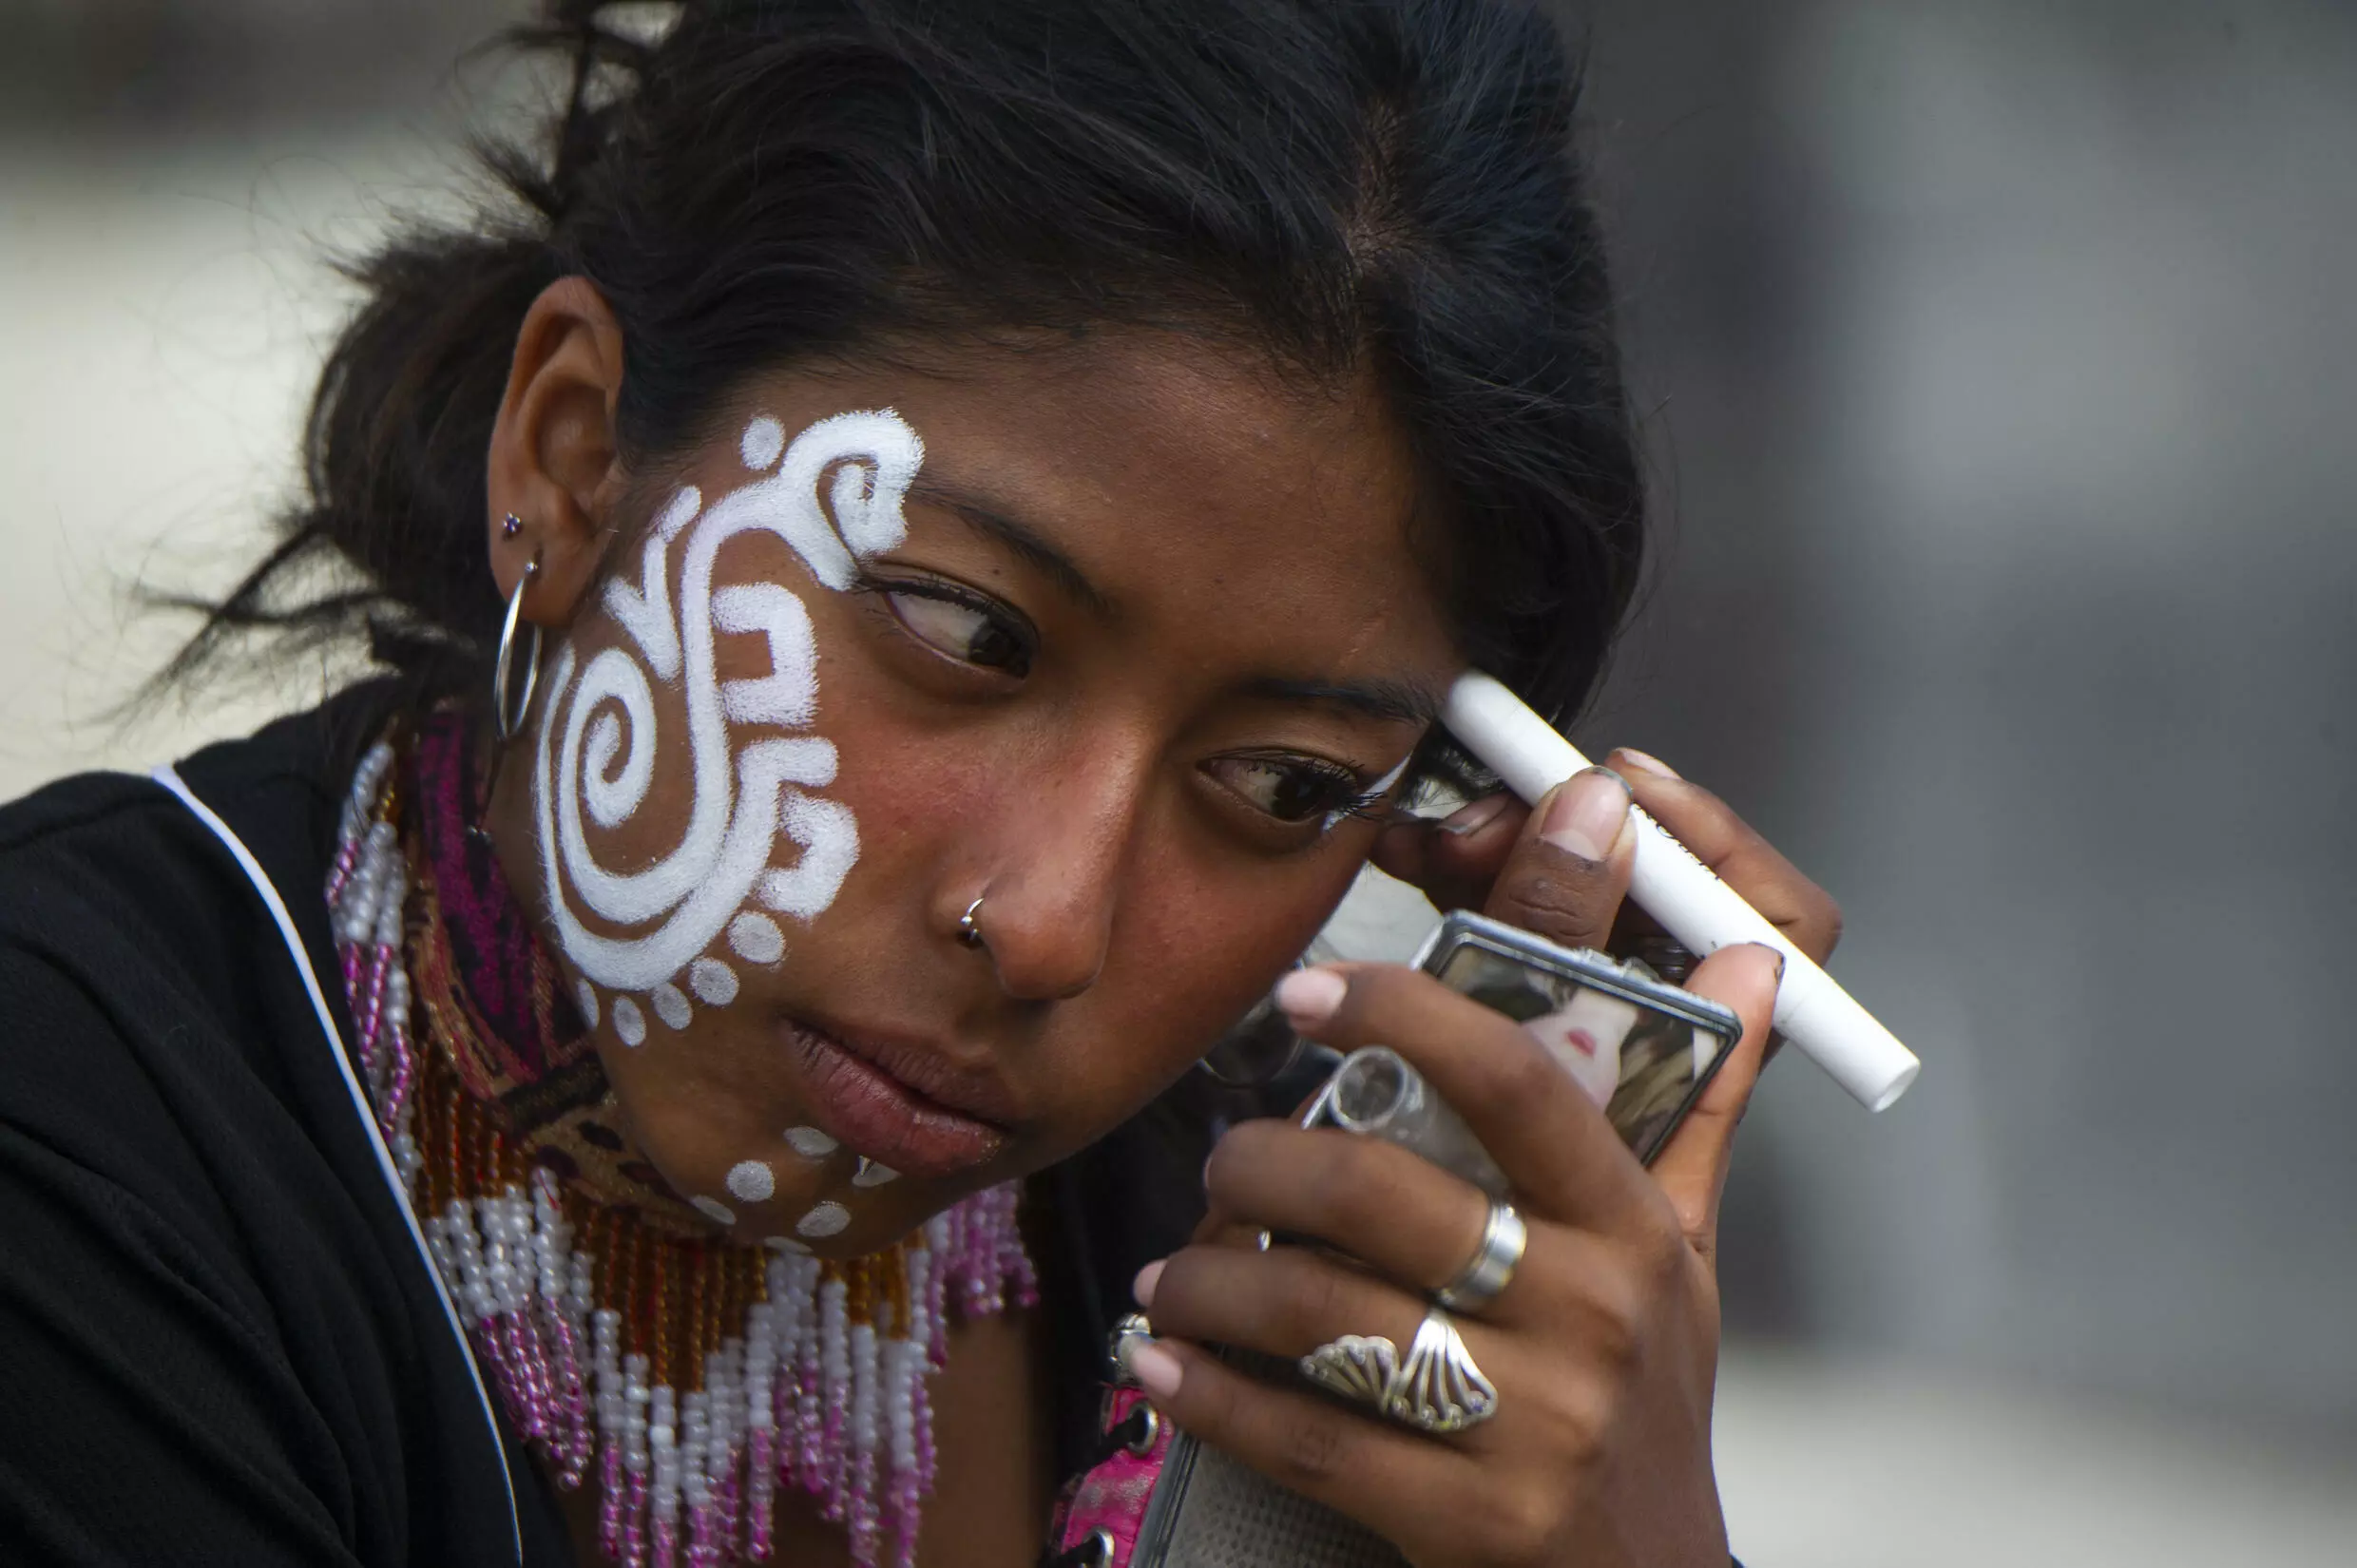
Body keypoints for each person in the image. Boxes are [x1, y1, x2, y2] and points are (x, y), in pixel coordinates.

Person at [0, 2, 1844, 1565]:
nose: (1044, 921)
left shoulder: (1249, 1248)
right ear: (569, 459)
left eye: (1281, 785)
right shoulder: (79, 1136)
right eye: (964, 636)